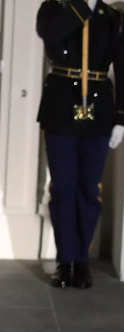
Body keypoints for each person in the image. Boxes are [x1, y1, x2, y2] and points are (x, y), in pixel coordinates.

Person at [37, 0, 124, 288]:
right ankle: (66, 261)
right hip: (61, 108)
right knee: (63, 188)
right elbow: (50, 35)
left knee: (89, 189)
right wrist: (81, 5)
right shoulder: (55, 7)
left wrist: (122, 117)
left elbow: (122, 67)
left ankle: (81, 260)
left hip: (99, 111)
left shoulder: (111, 15)